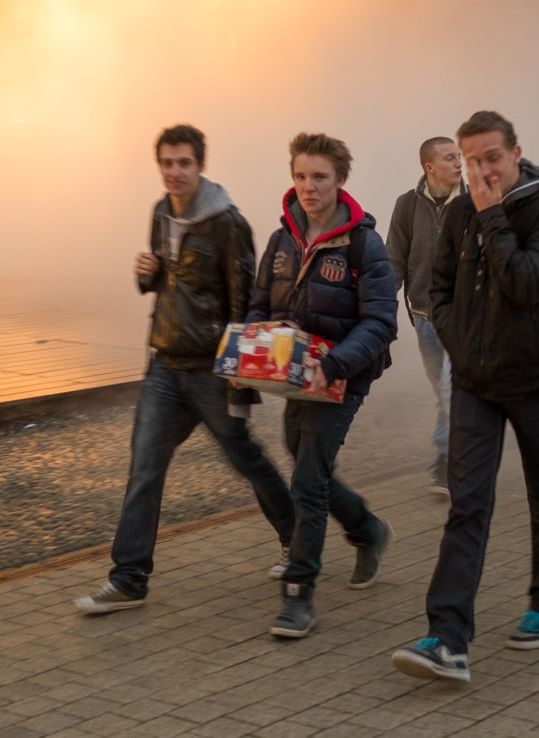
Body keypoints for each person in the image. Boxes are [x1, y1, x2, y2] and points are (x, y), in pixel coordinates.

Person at [75, 124, 297, 615]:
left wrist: (241, 383)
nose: (174, 172)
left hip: (211, 370)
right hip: (165, 366)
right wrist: (147, 277)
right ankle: (129, 578)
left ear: (201, 165)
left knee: (246, 459)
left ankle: (297, 539)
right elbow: (166, 283)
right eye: (167, 163)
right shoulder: (159, 211)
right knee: (144, 467)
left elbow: (245, 301)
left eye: (184, 163)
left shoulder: (228, 223)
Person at [391, 111, 539, 682]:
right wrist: (459, 344)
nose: (481, 170)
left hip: (538, 378)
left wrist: (492, 212)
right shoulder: (460, 208)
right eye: (471, 160)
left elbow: (524, 283)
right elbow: (438, 287)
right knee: (467, 503)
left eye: (491, 157)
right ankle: (448, 639)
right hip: (475, 380)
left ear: (517, 152)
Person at [249, 132, 398, 639]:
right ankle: (367, 530)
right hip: (296, 376)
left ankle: (298, 593)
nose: (308, 187)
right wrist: (253, 345)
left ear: (340, 180)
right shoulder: (281, 238)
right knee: (301, 455)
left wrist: (333, 366)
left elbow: (380, 324)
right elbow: (260, 304)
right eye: (300, 176)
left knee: (308, 480)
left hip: (342, 378)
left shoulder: (363, 243)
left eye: (320, 177)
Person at [387, 137, 464, 497]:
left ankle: (445, 463)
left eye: (459, 156)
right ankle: (459, 456)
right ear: (429, 167)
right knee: (443, 392)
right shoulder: (407, 205)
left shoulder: (473, 200)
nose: (459, 163)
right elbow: (394, 260)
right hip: (424, 317)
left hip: (465, 314)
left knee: (451, 390)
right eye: (450, 158)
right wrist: (379, 311)